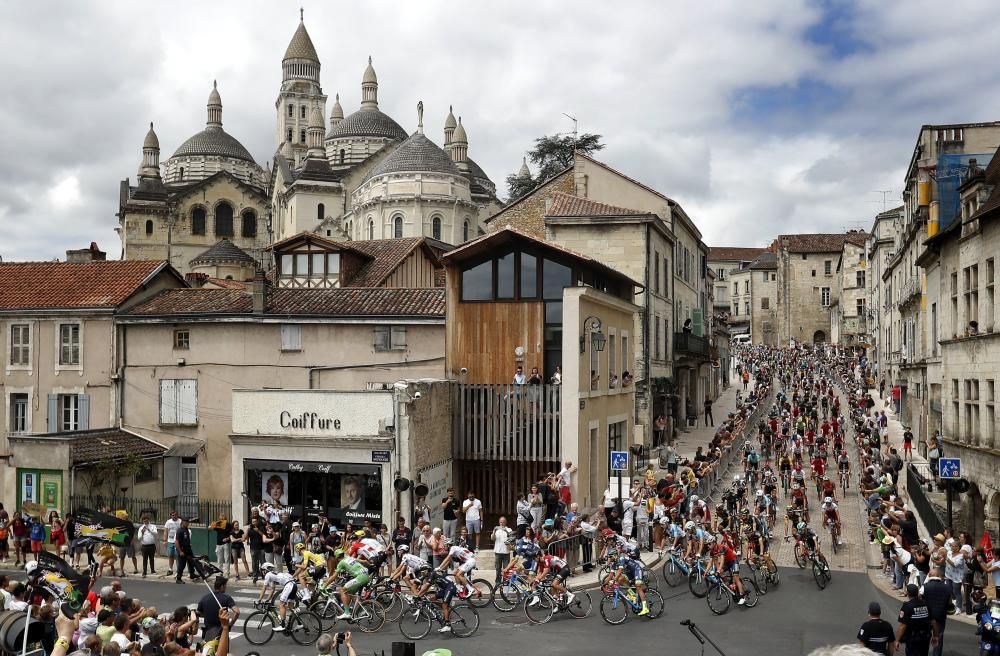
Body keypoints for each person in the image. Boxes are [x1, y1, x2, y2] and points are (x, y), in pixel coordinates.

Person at [920, 567, 951, 656]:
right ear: (939, 576)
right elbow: (949, 603)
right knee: (939, 637)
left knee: (924, 636)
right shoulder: (947, 587)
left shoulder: (925, 586)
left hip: (927, 616)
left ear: (930, 575)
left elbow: (919, 597)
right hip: (940, 616)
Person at [897, 583, 933, 656]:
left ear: (907, 593)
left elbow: (903, 626)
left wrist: (897, 640)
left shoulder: (907, 606)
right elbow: (933, 621)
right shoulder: (926, 604)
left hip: (913, 639)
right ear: (917, 592)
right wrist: (936, 635)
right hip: (925, 637)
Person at [257, 561, 296, 629]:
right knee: (290, 607)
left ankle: (283, 625)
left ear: (266, 569)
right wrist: (267, 600)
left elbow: (264, 588)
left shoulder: (268, 575)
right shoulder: (273, 575)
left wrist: (259, 600)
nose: (262, 572)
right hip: (293, 585)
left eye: (263, 570)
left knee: (281, 604)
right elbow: (272, 590)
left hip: (289, 585)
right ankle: (298, 623)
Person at [197, 576, 236, 641]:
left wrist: (208, 614)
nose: (226, 588)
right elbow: (237, 612)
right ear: (221, 586)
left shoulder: (204, 598)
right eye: (225, 586)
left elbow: (198, 613)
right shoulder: (226, 598)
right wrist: (230, 624)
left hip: (208, 632)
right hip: (221, 632)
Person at [174, 517, 197, 583]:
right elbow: (177, 542)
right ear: (182, 522)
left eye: (187, 522)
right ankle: (178, 578)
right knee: (182, 564)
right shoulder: (179, 530)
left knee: (191, 562)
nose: (187, 523)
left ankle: (192, 574)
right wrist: (180, 551)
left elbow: (186, 539)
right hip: (182, 550)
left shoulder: (186, 529)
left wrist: (189, 545)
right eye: (185, 522)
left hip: (188, 549)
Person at [492, 517, 512, 582]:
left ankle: (506, 581)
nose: (502, 523)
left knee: (506, 568)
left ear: (506, 522)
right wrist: (494, 531)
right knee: (498, 568)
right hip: (498, 552)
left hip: (506, 552)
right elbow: (492, 538)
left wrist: (505, 531)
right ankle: (498, 581)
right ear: (499, 522)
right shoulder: (496, 530)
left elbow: (511, 539)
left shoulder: (509, 529)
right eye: (501, 522)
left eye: (503, 522)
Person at [163, 510, 182, 576]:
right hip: (170, 541)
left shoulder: (180, 521)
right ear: (171, 516)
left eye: (175, 515)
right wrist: (165, 540)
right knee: (171, 555)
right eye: (172, 515)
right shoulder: (168, 522)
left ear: (177, 515)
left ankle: (178, 570)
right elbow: (165, 531)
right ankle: (170, 569)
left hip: (178, 541)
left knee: (177, 556)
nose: (174, 516)